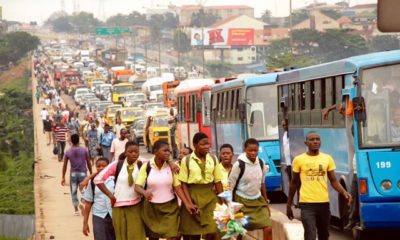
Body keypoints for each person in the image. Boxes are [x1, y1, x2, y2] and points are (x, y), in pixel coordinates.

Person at [287, 131, 352, 240]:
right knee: (310, 235)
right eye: (312, 140)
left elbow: (333, 181)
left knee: (324, 235)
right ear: (306, 143)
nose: (315, 142)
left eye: (317, 139)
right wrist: (289, 204)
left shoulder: (327, 159)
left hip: (323, 203)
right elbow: (294, 183)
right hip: (307, 204)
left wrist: (344, 192)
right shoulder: (299, 160)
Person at [135, 140, 191, 240]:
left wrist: (187, 204)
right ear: (155, 151)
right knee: (153, 237)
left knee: (173, 235)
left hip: (170, 208)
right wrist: (144, 192)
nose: (168, 153)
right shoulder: (147, 167)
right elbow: (137, 186)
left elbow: (177, 187)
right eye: (165, 150)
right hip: (152, 209)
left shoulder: (172, 167)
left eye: (169, 151)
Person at [94, 141, 146, 240]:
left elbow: (158, 160)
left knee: (137, 236)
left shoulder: (142, 163)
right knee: (121, 236)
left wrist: (170, 163)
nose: (134, 154)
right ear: (125, 152)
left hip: (136, 206)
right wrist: (110, 195)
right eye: (130, 152)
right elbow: (98, 179)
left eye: (136, 151)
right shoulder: (117, 165)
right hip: (118, 207)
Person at [178, 132, 223, 240]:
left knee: (213, 230)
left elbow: (217, 181)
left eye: (208, 144)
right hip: (193, 196)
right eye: (203, 144)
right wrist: (189, 203)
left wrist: (222, 201)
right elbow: (183, 184)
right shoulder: (186, 160)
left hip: (210, 198)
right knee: (194, 234)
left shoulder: (213, 158)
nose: (206, 146)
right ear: (194, 145)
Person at [229, 138, 272, 240]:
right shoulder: (239, 165)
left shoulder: (261, 163)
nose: (253, 153)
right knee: (240, 230)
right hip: (242, 201)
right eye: (250, 150)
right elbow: (230, 186)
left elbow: (262, 183)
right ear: (245, 150)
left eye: (255, 150)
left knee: (268, 228)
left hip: (257, 201)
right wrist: (230, 206)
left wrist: (266, 202)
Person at [82, 157, 116, 240]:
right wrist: (85, 223)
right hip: (99, 215)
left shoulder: (115, 179)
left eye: (103, 166)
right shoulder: (93, 181)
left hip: (114, 215)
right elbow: (89, 202)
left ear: (108, 167)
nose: (101, 168)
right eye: (98, 166)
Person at [62, 134, 92, 216]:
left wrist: (63, 177)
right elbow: (88, 162)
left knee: (74, 192)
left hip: (73, 174)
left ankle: (76, 210)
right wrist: (91, 174)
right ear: (78, 140)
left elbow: (64, 165)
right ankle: (83, 202)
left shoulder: (68, 151)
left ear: (71, 141)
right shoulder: (84, 150)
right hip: (83, 173)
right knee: (84, 191)